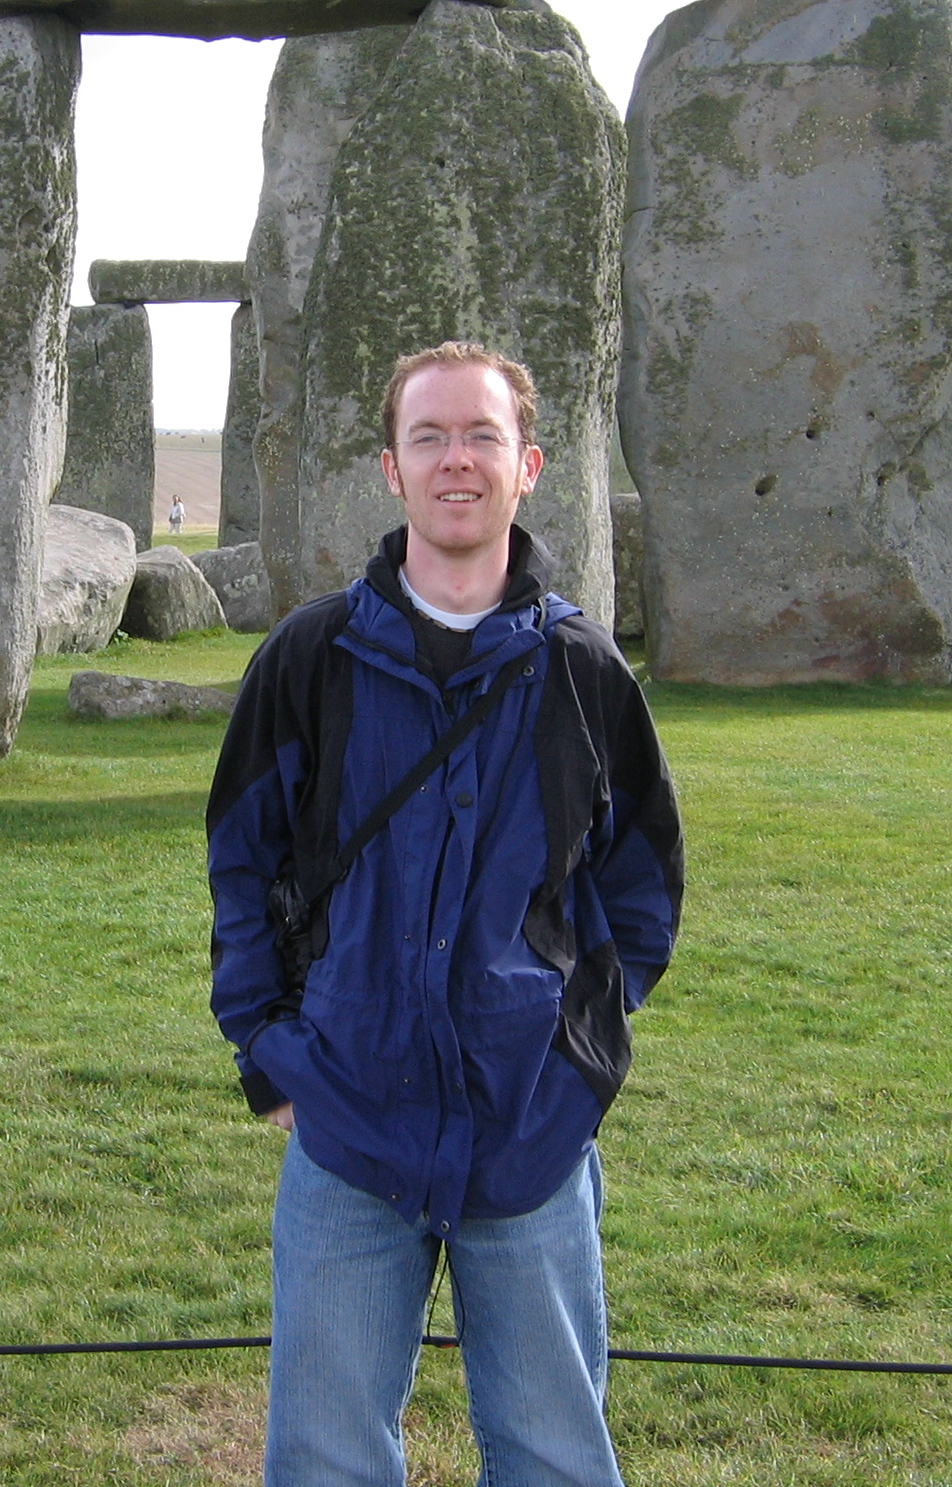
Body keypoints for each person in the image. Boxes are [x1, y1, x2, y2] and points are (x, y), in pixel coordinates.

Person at [207, 341, 684, 1486]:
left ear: (527, 468)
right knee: (324, 1461)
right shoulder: (309, 661)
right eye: (430, 437)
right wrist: (267, 1050)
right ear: (391, 468)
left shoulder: (583, 670)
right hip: (348, 1115)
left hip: (528, 1124)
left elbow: (644, 883)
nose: (455, 460)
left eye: (480, 437)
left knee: (553, 1459)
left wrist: (575, 1050)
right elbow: (241, 859)